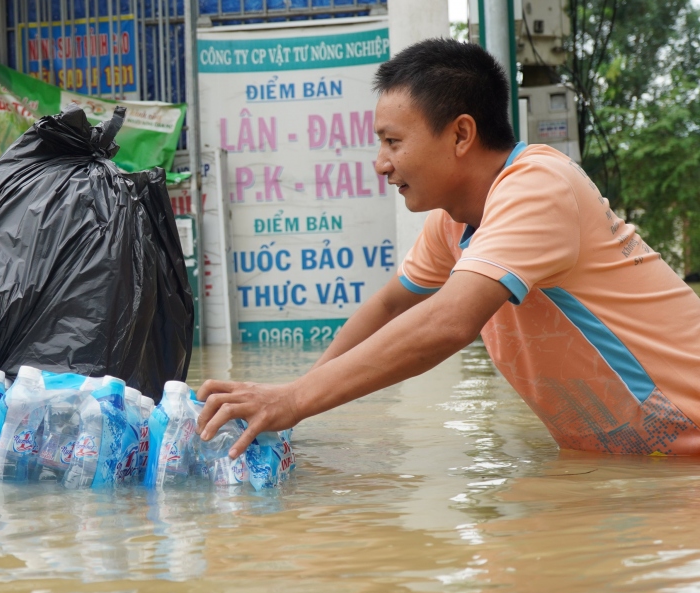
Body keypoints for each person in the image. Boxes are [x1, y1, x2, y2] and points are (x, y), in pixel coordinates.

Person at [199, 38, 700, 458]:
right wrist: (289, 406)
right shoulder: (452, 224)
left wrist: (295, 399)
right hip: (634, 471)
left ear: (461, 134)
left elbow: (448, 322)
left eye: (392, 141)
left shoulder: (538, 186)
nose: (380, 163)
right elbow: (391, 305)